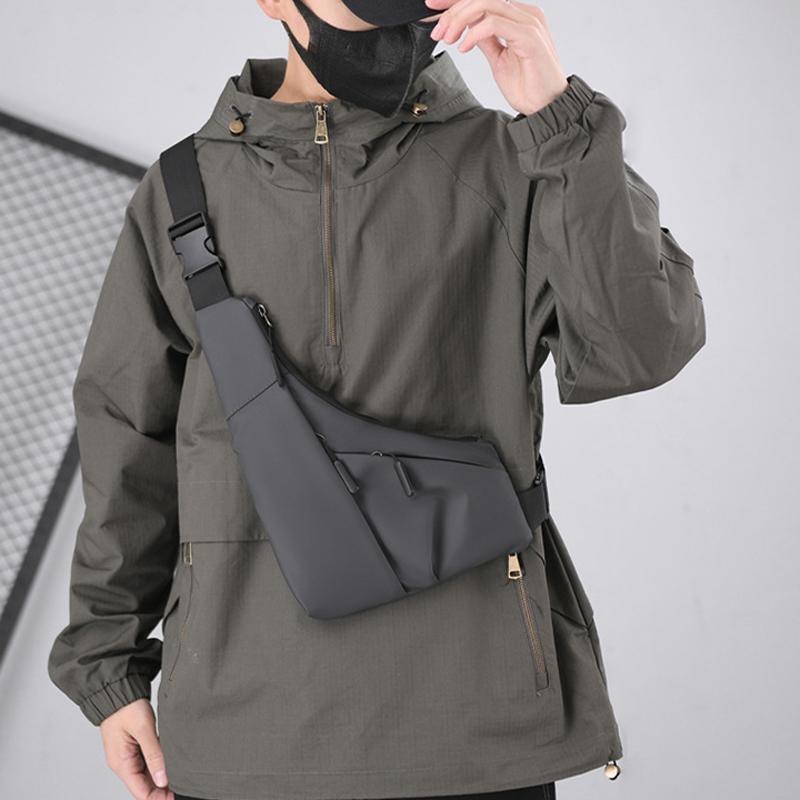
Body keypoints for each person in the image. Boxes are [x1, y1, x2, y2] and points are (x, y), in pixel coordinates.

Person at [47, 1, 706, 799]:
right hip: (243, 732)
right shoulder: (184, 188)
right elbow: (129, 438)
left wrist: (558, 117)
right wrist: (107, 668)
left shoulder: (515, 160)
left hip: (478, 729)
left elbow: (640, 348)